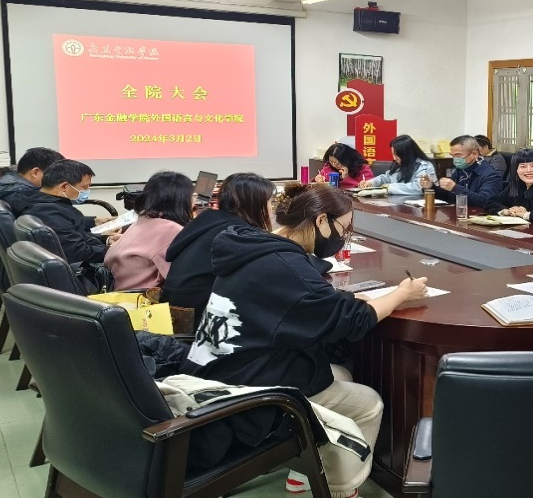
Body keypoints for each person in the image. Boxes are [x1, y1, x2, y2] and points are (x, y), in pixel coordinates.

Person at [183, 183, 429, 498]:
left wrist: (342, 300)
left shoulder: (255, 248)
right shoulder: (288, 268)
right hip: (244, 398)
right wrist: (401, 294)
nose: (343, 237)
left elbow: (303, 302)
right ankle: (340, 489)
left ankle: (303, 475)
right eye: (343, 228)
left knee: (340, 374)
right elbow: (353, 321)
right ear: (321, 220)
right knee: (368, 404)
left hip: (213, 377)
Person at [163, 172, 276, 312]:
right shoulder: (238, 234)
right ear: (256, 204)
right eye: (270, 202)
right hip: (202, 314)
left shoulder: (206, 223)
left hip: (175, 311)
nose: (271, 209)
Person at [105, 171, 193, 290]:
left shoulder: (145, 217)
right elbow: (183, 277)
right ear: (181, 199)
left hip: (118, 291)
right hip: (140, 298)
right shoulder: (170, 229)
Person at [15, 159, 110, 267]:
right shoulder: (49, 212)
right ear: (64, 187)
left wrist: (107, 241)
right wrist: (113, 250)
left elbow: (78, 237)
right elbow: (78, 252)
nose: (87, 191)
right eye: (84, 187)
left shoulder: (44, 203)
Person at [421, 135, 503, 205]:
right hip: (456, 213)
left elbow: (486, 201)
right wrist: (430, 187)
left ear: (474, 154)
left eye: (458, 155)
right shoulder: (460, 170)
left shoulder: (491, 175)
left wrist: (455, 188)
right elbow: (446, 196)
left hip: (477, 216)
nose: (455, 159)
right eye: (453, 156)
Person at [0, 147, 66, 215]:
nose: (58, 180)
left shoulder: (7, 180)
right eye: (55, 175)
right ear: (35, 172)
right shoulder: (25, 197)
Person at [359, 134, 438, 195]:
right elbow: (387, 177)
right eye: (393, 154)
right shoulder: (401, 164)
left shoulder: (424, 166)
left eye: (397, 155)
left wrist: (390, 187)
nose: (394, 158)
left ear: (406, 154)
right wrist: (371, 182)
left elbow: (418, 188)